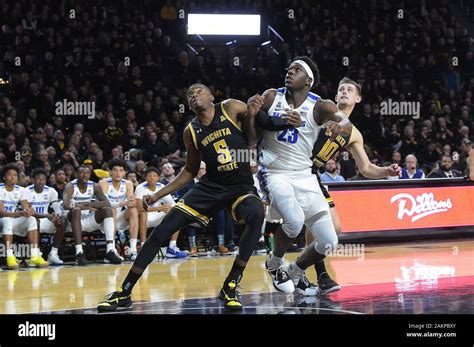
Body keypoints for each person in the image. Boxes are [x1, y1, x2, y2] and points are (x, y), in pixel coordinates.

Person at [97, 82, 291, 312]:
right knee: (161, 231)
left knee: (257, 213)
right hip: (209, 188)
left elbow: (258, 127)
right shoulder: (191, 130)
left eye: (197, 91)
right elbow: (189, 170)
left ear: (211, 96)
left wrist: (281, 120)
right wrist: (157, 194)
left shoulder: (230, 107)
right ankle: (124, 291)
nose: (192, 95)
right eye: (189, 95)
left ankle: (230, 285)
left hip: (240, 187)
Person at [249, 56, 354, 296]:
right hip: (274, 172)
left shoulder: (321, 105)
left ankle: (295, 271)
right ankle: (274, 265)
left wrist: (340, 125)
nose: (289, 72)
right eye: (289, 69)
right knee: (294, 222)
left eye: (296, 70)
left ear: (308, 80)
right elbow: (253, 133)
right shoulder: (271, 96)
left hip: (304, 174)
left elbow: (345, 121)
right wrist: (253, 113)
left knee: (329, 241)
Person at [307, 77, 400, 293]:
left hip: (311, 175)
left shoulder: (353, 133)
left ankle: (307, 270)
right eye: (341, 89)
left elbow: (366, 168)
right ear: (336, 96)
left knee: (333, 228)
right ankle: (316, 273)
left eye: (349, 90)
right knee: (307, 224)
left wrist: (386, 171)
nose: (344, 92)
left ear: (358, 99)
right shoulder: (321, 110)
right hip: (293, 167)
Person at [62, 165, 123, 265]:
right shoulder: (70, 186)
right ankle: (79, 252)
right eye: (81, 173)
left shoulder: (94, 186)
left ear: (90, 174)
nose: (84, 175)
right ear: (76, 174)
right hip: (71, 221)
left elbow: (106, 203)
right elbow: (66, 205)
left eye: (87, 173)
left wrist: (87, 204)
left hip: (87, 220)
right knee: (76, 210)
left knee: (107, 210)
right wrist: (82, 206)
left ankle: (110, 250)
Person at [0, 164, 48, 268]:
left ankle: (35, 255)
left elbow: (25, 206)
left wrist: (28, 211)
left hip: (12, 220)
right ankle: (10, 256)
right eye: (10, 175)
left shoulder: (22, 190)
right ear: (4, 177)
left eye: (15, 175)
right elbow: (1, 212)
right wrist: (20, 213)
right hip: (2, 221)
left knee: (31, 219)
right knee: (7, 220)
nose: (13, 177)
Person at [134, 167, 187, 258]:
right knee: (143, 214)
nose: (152, 178)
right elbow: (139, 208)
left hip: (158, 216)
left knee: (178, 212)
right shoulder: (140, 187)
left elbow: (172, 204)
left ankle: (172, 247)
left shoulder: (161, 187)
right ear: (145, 178)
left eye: (154, 176)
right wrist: (159, 208)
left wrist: (169, 208)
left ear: (158, 178)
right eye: (149, 176)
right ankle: (143, 247)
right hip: (145, 217)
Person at [99, 159, 139, 260]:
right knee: (111, 209)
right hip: (104, 219)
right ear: (110, 172)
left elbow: (130, 202)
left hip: (119, 218)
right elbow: (104, 204)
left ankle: (133, 249)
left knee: (133, 210)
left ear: (124, 172)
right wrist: (121, 203)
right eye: (115, 170)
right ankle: (112, 249)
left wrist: (133, 202)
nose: (118, 173)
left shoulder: (128, 183)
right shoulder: (103, 183)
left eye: (121, 170)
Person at [27, 168, 66, 265]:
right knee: (35, 221)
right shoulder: (26, 191)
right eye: (38, 179)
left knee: (63, 221)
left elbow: (57, 207)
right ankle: (36, 254)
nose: (41, 181)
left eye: (43, 179)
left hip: (45, 220)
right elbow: (30, 212)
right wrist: (47, 215)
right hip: (30, 220)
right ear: (32, 180)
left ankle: (53, 253)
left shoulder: (51, 191)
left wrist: (57, 216)